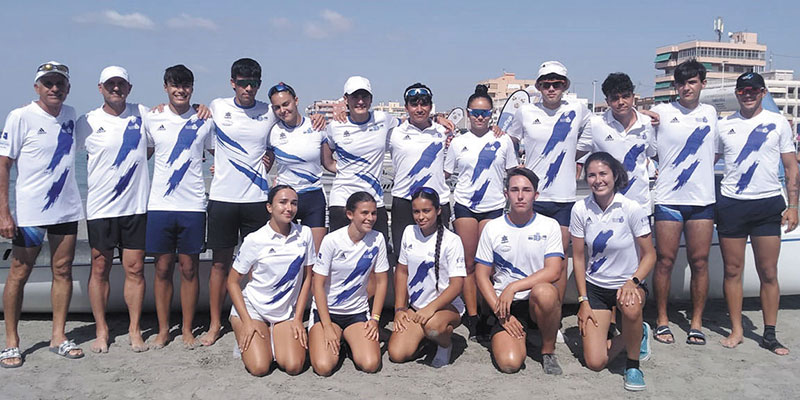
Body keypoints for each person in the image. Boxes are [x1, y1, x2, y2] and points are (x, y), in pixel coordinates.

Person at [204, 59, 323, 346]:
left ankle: (261, 316)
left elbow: (289, 130)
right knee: (220, 265)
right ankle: (214, 324)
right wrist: (221, 162)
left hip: (257, 199)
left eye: (253, 83)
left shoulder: (269, 112)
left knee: (259, 265)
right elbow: (200, 136)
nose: (248, 88)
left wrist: (324, 115)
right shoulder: (217, 107)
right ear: (232, 83)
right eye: (242, 83)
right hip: (222, 197)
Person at [0, 61, 85, 368]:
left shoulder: (71, 115)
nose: (54, 88)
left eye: (60, 83)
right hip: (30, 213)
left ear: (68, 88)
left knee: (62, 270)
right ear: (37, 87)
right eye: (48, 83)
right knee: (19, 272)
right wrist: (4, 212)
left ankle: (58, 336)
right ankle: (11, 342)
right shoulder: (20, 116)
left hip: (66, 210)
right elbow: (4, 164)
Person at [507, 61, 592, 342]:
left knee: (559, 261)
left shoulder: (578, 109)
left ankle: (551, 318)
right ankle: (528, 311)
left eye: (557, 83)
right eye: (546, 84)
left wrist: (573, 158)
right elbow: (509, 140)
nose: (551, 88)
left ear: (565, 85)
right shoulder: (525, 111)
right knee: (528, 255)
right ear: (539, 86)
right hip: (533, 196)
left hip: (564, 198)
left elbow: (590, 136)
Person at [715, 72, 799, 355]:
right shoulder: (724, 125)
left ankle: (769, 334)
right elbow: (706, 161)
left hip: (767, 204)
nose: (748, 94)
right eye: (743, 90)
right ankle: (737, 330)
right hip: (732, 204)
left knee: (768, 271)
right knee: (732, 270)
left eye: (754, 90)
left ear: (763, 93)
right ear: (737, 94)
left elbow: (791, 167)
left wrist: (793, 206)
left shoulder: (778, 123)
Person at [74, 66, 149, 354]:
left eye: (121, 84)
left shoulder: (142, 114)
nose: (116, 88)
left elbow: (169, 126)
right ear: (100, 88)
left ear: (129, 88)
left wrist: (201, 108)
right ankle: (101, 329)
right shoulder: (87, 121)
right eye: (110, 84)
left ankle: (134, 329)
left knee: (135, 268)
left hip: (135, 207)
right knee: (100, 267)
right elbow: (62, 153)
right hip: (100, 209)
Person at [571, 152, 655, 391]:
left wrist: (633, 281)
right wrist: (583, 300)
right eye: (591, 175)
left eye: (603, 174)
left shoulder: (631, 208)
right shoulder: (580, 209)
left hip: (627, 285)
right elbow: (578, 257)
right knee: (595, 363)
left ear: (615, 175)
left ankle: (633, 365)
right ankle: (637, 333)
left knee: (630, 307)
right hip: (596, 288)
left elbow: (650, 255)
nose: (598, 180)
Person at [144, 65, 214, 349]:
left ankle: (186, 329)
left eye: (185, 85)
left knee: (189, 269)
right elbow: (140, 157)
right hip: (159, 205)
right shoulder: (152, 117)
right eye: (175, 85)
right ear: (166, 87)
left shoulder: (204, 119)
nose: (180, 90)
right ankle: (163, 330)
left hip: (193, 205)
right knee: (162, 268)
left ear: (192, 88)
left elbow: (221, 153)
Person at [650, 60, 718, 345]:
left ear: (703, 83)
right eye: (681, 83)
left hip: (702, 200)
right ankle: (662, 319)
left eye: (692, 82)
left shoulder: (711, 113)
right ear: (675, 86)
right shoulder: (662, 112)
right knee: (665, 261)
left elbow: (714, 153)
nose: (686, 87)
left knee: (700, 262)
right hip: (668, 199)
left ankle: (696, 322)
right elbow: (649, 148)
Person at [444, 84, 519, 341]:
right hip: (465, 205)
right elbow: (445, 173)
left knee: (489, 264)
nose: (479, 117)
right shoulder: (458, 142)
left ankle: (491, 312)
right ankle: (473, 316)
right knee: (467, 263)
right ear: (468, 113)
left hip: (493, 206)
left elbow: (512, 173)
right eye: (475, 112)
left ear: (491, 115)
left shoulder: (503, 140)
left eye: (485, 113)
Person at [474, 167, 564, 375]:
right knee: (509, 364)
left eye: (526, 190)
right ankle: (516, 334)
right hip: (505, 305)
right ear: (506, 194)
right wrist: (500, 313)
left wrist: (513, 287)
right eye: (514, 190)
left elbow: (554, 271)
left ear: (536, 195)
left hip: (535, 301)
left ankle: (548, 350)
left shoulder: (549, 225)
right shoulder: (492, 228)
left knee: (545, 292)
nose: (520, 196)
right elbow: (481, 275)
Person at [227, 185, 315, 376]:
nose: (289, 208)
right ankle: (249, 330)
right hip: (254, 310)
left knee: (293, 366)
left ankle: (274, 336)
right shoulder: (255, 239)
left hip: (285, 312)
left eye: (293, 203)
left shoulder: (305, 234)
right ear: (269, 207)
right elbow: (232, 281)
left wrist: (298, 319)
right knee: (260, 368)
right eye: (282, 202)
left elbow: (308, 277)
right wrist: (247, 321)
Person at [309, 192, 389, 376]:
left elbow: (382, 281)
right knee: (323, 367)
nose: (370, 218)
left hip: (356, 313)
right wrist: (327, 326)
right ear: (350, 214)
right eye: (364, 213)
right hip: (327, 313)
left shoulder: (378, 239)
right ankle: (333, 336)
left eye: (373, 213)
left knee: (370, 364)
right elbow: (317, 285)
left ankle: (350, 340)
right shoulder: (331, 240)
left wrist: (375, 319)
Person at [388, 187, 465, 368]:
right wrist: (400, 308)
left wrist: (431, 308)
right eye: (416, 211)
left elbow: (457, 285)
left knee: (433, 327)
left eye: (426, 211)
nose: (421, 216)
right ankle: (425, 338)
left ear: (438, 211)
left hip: (445, 307)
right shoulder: (409, 232)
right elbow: (402, 271)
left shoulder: (452, 240)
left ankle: (444, 344)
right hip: (416, 307)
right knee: (397, 354)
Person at [322, 76, 397, 246]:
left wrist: (438, 119)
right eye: (355, 96)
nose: (360, 101)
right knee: (341, 253)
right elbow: (327, 162)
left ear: (371, 99)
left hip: (374, 200)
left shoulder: (384, 119)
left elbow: (410, 123)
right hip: (342, 200)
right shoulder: (335, 126)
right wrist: (347, 171)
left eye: (365, 96)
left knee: (378, 252)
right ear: (346, 99)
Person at [388, 83, 452, 264]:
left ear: (431, 107)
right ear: (406, 107)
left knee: (439, 258)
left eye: (424, 104)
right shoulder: (394, 133)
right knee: (403, 260)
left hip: (437, 201)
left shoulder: (444, 132)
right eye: (414, 104)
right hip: (404, 202)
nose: (419, 109)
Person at [576, 73, 656, 216]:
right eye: (615, 98)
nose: (621, 102)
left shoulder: (647, 123)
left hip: (640, 207)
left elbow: (652, 154)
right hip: (605, 208)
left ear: (633, 96)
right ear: (607, 101)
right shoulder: (595, 125)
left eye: (625, 96)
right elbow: (573, 155)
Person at [265, 82, 326, 252]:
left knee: (314, 256)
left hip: (313, 197)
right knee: (284, 255)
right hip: (285, 198)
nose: (283, 110)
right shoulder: (272, 132)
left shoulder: (317, 126)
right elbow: (264, 164)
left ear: (296, 101)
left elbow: (329, 162)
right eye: (277, 107)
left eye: (286, 104)